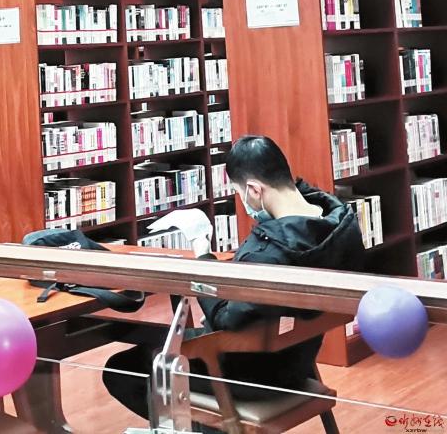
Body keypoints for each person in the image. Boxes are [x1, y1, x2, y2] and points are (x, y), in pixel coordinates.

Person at [102, 135, 365, 427]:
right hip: (298, 359)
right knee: (163, 341)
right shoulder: (340, 225)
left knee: (122, 369)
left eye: (240, 193)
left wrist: (202, 250)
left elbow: (225, 319)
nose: (244, 203)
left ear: (254, 189)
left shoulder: (268, 256)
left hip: (252, 373)